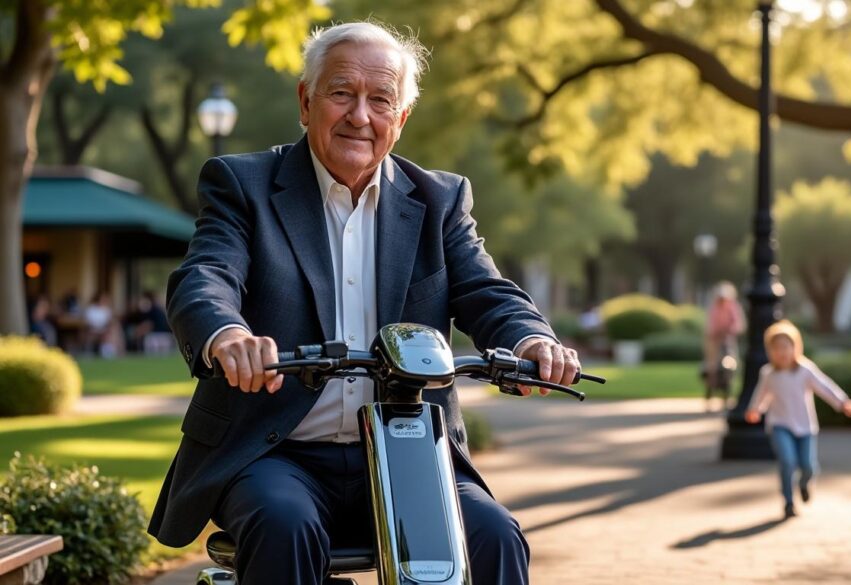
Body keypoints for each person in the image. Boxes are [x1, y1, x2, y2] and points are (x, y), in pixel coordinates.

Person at [147, 22, 579, 585]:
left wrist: (530, 338)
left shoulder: (440, 199)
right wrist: (227, 335)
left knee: (495, 536)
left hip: (410, 457)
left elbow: (485, 289)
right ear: (306, 101)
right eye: (341, 92)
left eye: (381, 100)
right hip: (279, 453)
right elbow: (207, 274)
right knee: (284, 524)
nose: (360, 115)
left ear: (401, 120)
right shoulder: (241, 183)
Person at [744, 320, 851, 518]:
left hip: (805, 426)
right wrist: (755, 409)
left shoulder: (804, 370)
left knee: (808, 466)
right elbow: (761, 395)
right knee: (787, 462)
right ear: (769, 351)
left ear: (795, 347)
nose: (781, 352)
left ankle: (805, 483)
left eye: (785, 347)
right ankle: (788, 502)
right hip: (779, 425)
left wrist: (842, 402)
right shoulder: (769, 374)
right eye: (776, 348)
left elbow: (824, 387)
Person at [701, 282, 745, 408]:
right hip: (715, 340)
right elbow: (710, 325)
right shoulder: (714, 308)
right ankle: (709, 391)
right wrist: (715, 332)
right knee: (711, 366)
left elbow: (738, 324)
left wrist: (729, 330)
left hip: (728, 339)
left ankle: (726, 394)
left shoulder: (733, 307)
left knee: (729, 365)